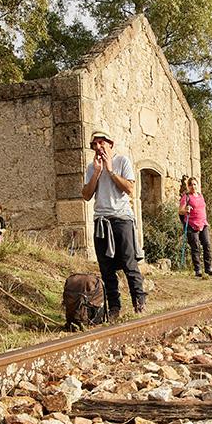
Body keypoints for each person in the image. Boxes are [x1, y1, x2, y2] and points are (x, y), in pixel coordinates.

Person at [81, 129, 147, 318]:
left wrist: (110, 170)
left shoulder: (122, 161)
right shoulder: (91, 167)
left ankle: (139, 302)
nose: (98, 147)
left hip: (122, 219)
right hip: (101, 220)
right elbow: (86, 195)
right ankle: (114, 308)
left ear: (110, 144)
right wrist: (98, 172)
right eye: (95, 144)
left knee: (129, 263)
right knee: (106, 268)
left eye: (102, 143)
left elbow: (130, 189)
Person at [179, 176, 212, 278]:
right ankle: (198, 269)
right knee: (195, 247)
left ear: (197, 185)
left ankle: (208, 268)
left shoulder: (200, 196)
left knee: (207, 245)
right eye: (191, 185)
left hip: (203, 224)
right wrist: (186, 209)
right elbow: (180, 210)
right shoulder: (186, 197)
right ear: (188, 186)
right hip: (191, 224)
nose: (193, 186)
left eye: (194, 184)